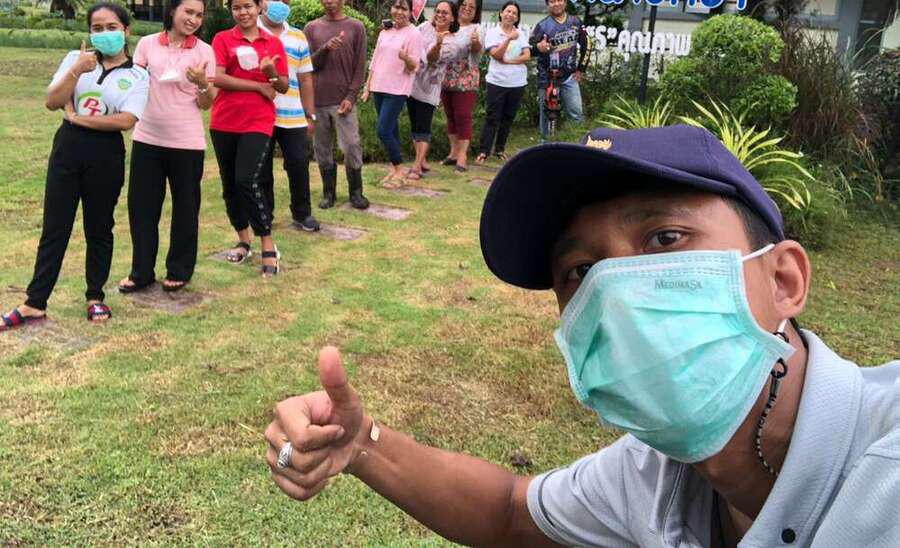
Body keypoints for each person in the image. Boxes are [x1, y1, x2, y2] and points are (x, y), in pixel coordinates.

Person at [264, 124, 900, 547]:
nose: (617, 293)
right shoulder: (656, 471)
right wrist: (362, 444)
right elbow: (510, 511)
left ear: (783, 279)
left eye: (665, 238)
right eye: (581, 271)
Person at [2, 2, 148, 328]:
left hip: (105, 154)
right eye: (97, 28)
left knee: (99, 227)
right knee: (55, 226)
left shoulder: (137, 74)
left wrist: (77, 118)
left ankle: (95, 297)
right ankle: (34, 302)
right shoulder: (75, 59)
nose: (105, 34)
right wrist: (77, 71)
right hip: (68, 148)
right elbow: (52, 101)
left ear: (126, 30)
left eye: (112, 27)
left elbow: (125, 120)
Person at [117, 0, 217, 296]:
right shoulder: (148, 44)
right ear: (172, 10)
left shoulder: (204, 51)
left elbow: (206, 103)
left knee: (185, 208)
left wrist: (202, 83)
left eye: (199, 15)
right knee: (142, 208)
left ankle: (179, 270)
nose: (193, 19)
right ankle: (141, 272)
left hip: (186, 142)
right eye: (188, 12)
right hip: (147, 137)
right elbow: (134, 84)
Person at [210, 0, 288, 277]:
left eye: (247, 6)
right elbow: (218, 78)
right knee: (229, 184)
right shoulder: (222, 39)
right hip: (224, 121)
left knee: (247, 179)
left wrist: (271, 74)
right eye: (236, 7)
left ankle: (267, 241)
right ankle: (243, 240)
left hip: (258, 121)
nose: (242, 12)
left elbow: (283, 86)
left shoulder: (273, 43)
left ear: (259, 7)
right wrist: (258, 85)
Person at [256, 0, 320, 232]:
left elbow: (306, 78)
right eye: (274, 0)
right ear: (261, 2)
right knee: (261, 169)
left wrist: (310, 115)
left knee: (298, 164)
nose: (280, 5)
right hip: (259, 114)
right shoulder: (250, 33)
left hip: (293, 115)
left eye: (285, 1)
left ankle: (302, 214)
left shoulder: (297, 36)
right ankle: (265, 215)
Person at [303, 0, 369, 210]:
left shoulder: (356, 27)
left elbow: (359, 67)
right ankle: (328, 193)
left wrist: (351, 96)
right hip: (318, 100)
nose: (329, 0)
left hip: (343, 101)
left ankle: (356, 192)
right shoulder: (312, 28)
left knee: (351, 146)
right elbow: (307, 65)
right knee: (322, 149)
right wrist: (325, 49)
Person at [360, 0, 422, 189]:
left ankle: (400, 169)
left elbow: (415, 66)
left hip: (397, 88)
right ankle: (395, 170)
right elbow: (375, 60)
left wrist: (406, 58)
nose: (399, 12)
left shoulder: (414, 34)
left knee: (383, 130)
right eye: (396, 7)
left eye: (404, 9)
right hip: (379, 86)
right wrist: (367, 86)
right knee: (391, 129)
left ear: (410, 12)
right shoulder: (385, 32)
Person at [405, 0, 469, 181]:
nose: (440, 15)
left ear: (453, 18)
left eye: (445, 13)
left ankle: (417, 166)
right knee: (414, 125)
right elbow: (410, 40)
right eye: (438, 11)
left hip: (429, 89)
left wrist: (439, 43)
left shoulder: (454, 42)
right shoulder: (424, 27)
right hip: (412, 83)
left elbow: (432, 59)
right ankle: (423, 161)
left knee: (423, 127)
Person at [529, 0, 588, 141]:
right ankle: (544, 146)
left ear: (565, 2)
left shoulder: (575, 22)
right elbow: (528, 50)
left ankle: (577, 145)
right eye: (552, 1)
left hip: (569, 77)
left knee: (576, 114)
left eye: (559, 0)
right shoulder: (542, 26)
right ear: (548, 4)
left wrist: (581, 69)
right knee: (546, 114)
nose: (556, 3)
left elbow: (587, 45)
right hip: (546, 78)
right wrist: (538, 47)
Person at [476, 0, 530, 164]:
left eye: (514, 13)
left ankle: (500, 149)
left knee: (508, 118)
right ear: (501, 13)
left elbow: (527, 56)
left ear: (517, 17)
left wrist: (510, 61)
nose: (510, 15)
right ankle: (484, 151)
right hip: (497, 81)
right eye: (508, 11)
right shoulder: (493, 33)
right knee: (492, 117)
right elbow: (496, 55)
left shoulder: (521, 33)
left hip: (517, 83)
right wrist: (508, 39)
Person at [439, 0, 483, 173]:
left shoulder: (476, 28)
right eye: (464, 5)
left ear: (476, 12)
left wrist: (475, 43)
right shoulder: (449, 25)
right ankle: (453, 153)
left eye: (472, 7)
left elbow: (478, 50)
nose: (467, 9)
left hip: (466, 77)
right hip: (445, 76)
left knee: (463, 115)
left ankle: (463, 156)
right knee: (450, 115)